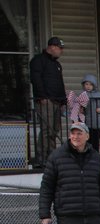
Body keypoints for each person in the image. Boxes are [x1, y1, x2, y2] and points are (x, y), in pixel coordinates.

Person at [30, 37, 67, 167]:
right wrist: (42, 97)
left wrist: (63, 102)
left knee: (54, 130)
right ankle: (41, 158)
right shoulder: (38, 60)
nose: (61, 51)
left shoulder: (57, 65)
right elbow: (36, 79)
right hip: (46, 101)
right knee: (47, 129)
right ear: (52, 47)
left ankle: (51, 157)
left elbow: (60, 84)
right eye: (60, 48)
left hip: (57, 101)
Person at [80, 74, 100, 153]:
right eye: (86, 84)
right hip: (86, 122)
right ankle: (87, 155)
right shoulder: (83, 95)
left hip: (96, 121)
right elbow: (79, 106)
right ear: (83, 85)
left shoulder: (99, 95)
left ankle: (95, 154)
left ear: (94, 85)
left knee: (96, 140)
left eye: (90, 84)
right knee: (87, 140)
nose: (88, 86)